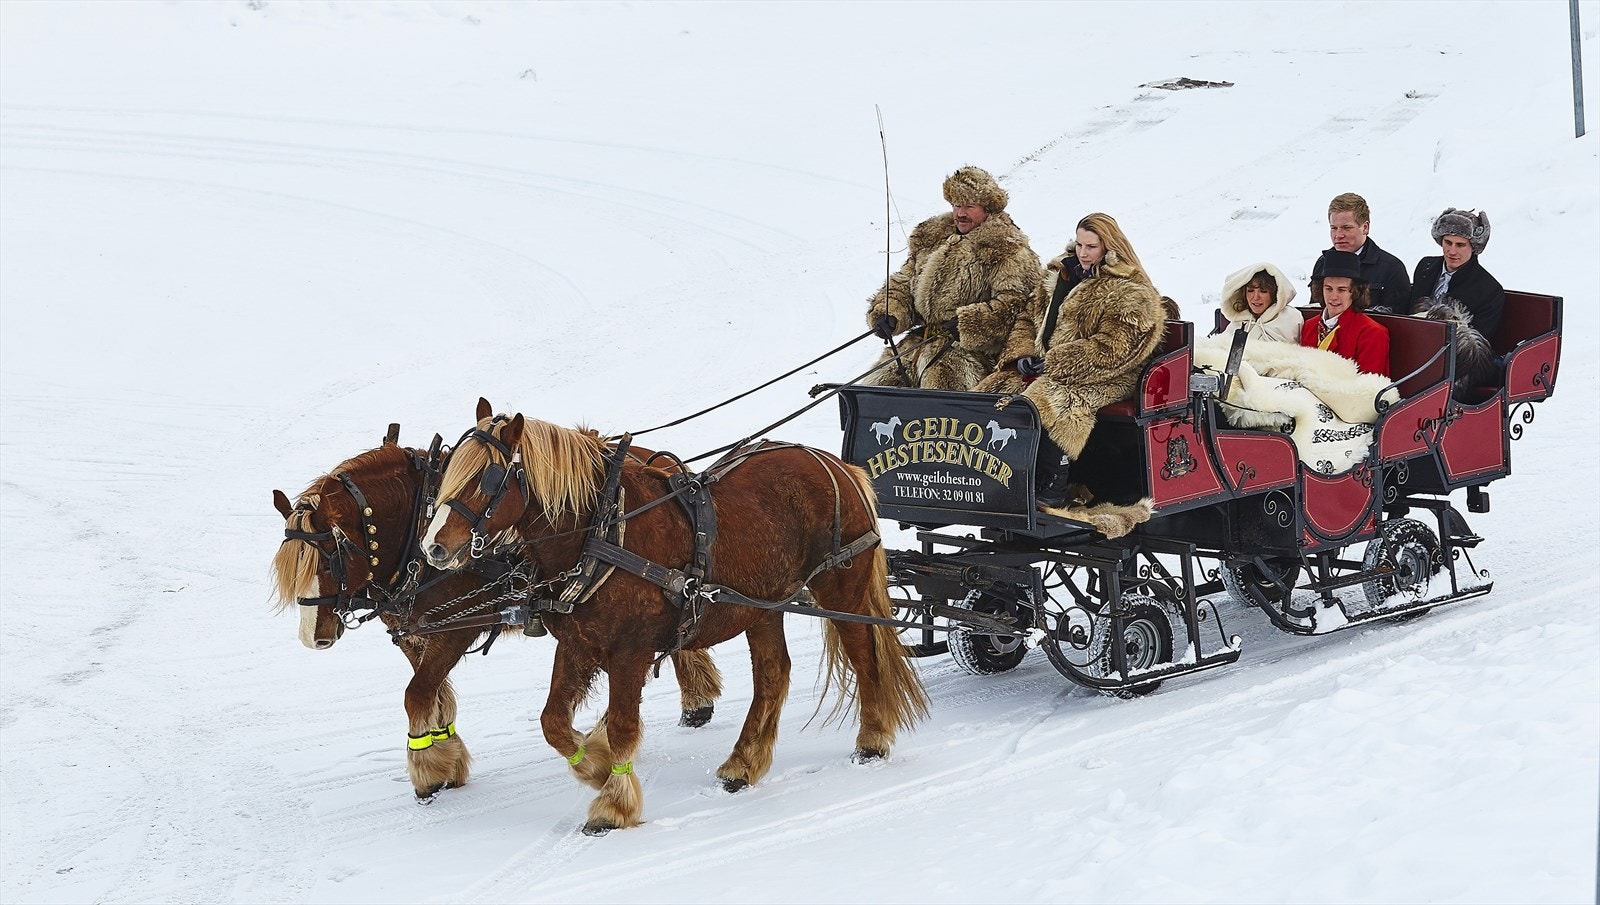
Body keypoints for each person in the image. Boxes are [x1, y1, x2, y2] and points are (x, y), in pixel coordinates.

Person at [977, 213, 1167, 507]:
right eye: (1079, 244)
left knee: (1052, 398)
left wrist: (1056, 362)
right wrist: (1025, 354)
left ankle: (1051, 483)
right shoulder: (1059, 275)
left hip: (1112, 374)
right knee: (996, 390)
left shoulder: (1131, 291)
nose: (1082, 252)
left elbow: (1114, 349)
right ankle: (987, 475)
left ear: (1109, 247)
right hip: (1051, 367)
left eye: (1091, 246)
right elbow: (1028, 318)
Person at [863, 166, 1040, 391]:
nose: (960, 213)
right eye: (956, 205)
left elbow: (1017, 306)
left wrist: (970, 323)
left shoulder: (1007, 249)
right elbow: (904, 283)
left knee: (942, 396)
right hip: (919, 344)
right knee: (876, 390)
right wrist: (890, 312)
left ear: (987, 208)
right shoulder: (933, 238)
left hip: (972, 355)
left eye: (969, 206)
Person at [1411, 207, 1503, 341]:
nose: (1452, 251)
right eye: (1448, 242)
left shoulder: (1489, 290)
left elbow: (1477, 343)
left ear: (1474, 246)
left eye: (1460, 245)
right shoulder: (1425, 267)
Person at [1309, 192, 1410, 313]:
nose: (1338, 235)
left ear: (1365, 227)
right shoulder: (1323, 262)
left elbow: (1399, 323)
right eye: (1334, 228)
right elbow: (1314, 312)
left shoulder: (1391, 268)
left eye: (1347, 228)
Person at [1300, 250, 1390, 376]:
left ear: (1355, 292)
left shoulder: (1372, 332)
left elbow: (1370, 387)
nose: (1333, 297)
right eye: (1328, 289)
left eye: (1341, 290)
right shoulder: (1309, 326)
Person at [1216, 262, 1302, 345]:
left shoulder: (1290, 317)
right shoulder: (1238, 321)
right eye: (1250, 291)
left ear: (1274, 293)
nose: (1256, 297)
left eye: (1263, 291)